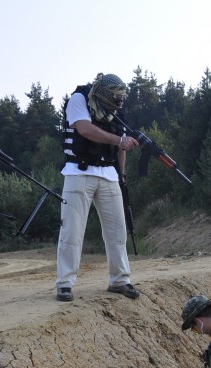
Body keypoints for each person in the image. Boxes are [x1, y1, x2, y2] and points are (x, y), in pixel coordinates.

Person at [55, 73, 141, 302]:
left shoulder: (116, 110)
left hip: (109, 174)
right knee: (71, 230)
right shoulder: (79, 99)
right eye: (115, 98)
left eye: (121, 99)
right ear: (103, 94)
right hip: (78, 171)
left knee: (117, 231)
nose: (119, 103)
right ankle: (65, 283)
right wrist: (118, 141)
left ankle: (120, 280)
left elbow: (122, 147)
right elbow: (84, 129)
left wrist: (121, 175)